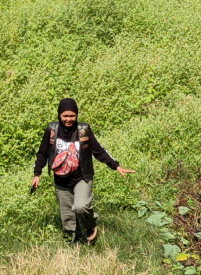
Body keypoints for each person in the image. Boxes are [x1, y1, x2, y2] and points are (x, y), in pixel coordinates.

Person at [31, 98, 134, 243]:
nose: (69, 119)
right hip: (61, 180)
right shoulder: (52, 130)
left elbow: (98, 151)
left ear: (77, 115)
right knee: (67, 216)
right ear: (59, 115)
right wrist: (37, 174)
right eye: (65, 116)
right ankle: (72, 242)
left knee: (81, 206)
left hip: (82, 177)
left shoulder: (83, 130)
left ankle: (90, 225)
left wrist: (116, 166)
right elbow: (42, 153)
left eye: (72, 116)